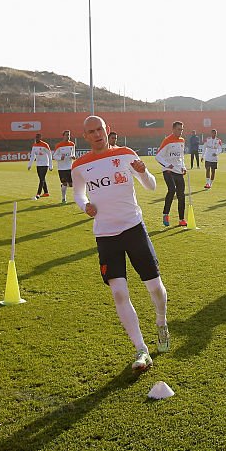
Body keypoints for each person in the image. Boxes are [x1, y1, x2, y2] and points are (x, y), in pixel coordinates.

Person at [71, 115, 168, 372]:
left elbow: (152, 186)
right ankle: (141, 349)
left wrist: (143, 171)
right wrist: (85, 206)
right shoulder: (79, 165)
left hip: (134, 228)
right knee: (118, 292)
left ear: (107, 130)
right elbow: (78, 193)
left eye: (99, 129)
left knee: (154, 287)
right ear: (86, 136)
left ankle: (161, 321)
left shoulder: (126, 154)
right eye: (90, 131)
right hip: (105, 234)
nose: (96, 134)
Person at [155, 121, 187, 227]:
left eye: (182, 129)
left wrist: (184, 167)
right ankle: (165, 214)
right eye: (178, 129)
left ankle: (181, 219)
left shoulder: (182, 140)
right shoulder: (167, 141)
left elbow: (181, 157)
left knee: (181, 195)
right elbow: (158, 156)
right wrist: (167, 165)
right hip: (168, 171)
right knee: (172, 189)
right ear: (173, 129)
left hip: (179, 171)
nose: (180, 131)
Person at [53, 130, 77, 203]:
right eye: (66, 135)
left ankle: (77, 197)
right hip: (62, 168)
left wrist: (73, 157)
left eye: (69, 135)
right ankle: (63, 198)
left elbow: (73, 154)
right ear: (63, 136)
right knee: (64, 183)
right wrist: (60, 158)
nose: (68, 136)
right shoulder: (59, 145)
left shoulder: (72, 144)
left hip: (70, 167)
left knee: (71, 184)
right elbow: (54, 156)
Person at [28, 133, 53, 200]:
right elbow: (33, 156)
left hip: (45, 164)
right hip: (38, 164)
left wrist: (51, 165)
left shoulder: (45, 145)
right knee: (42, 179)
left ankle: (38, 194)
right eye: (36, 137)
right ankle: (46, 192)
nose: (37, 139)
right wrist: (30, 165)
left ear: (40, 138)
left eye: (38, 137)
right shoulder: (34, 145)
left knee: (41, 179)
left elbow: (50, 155)